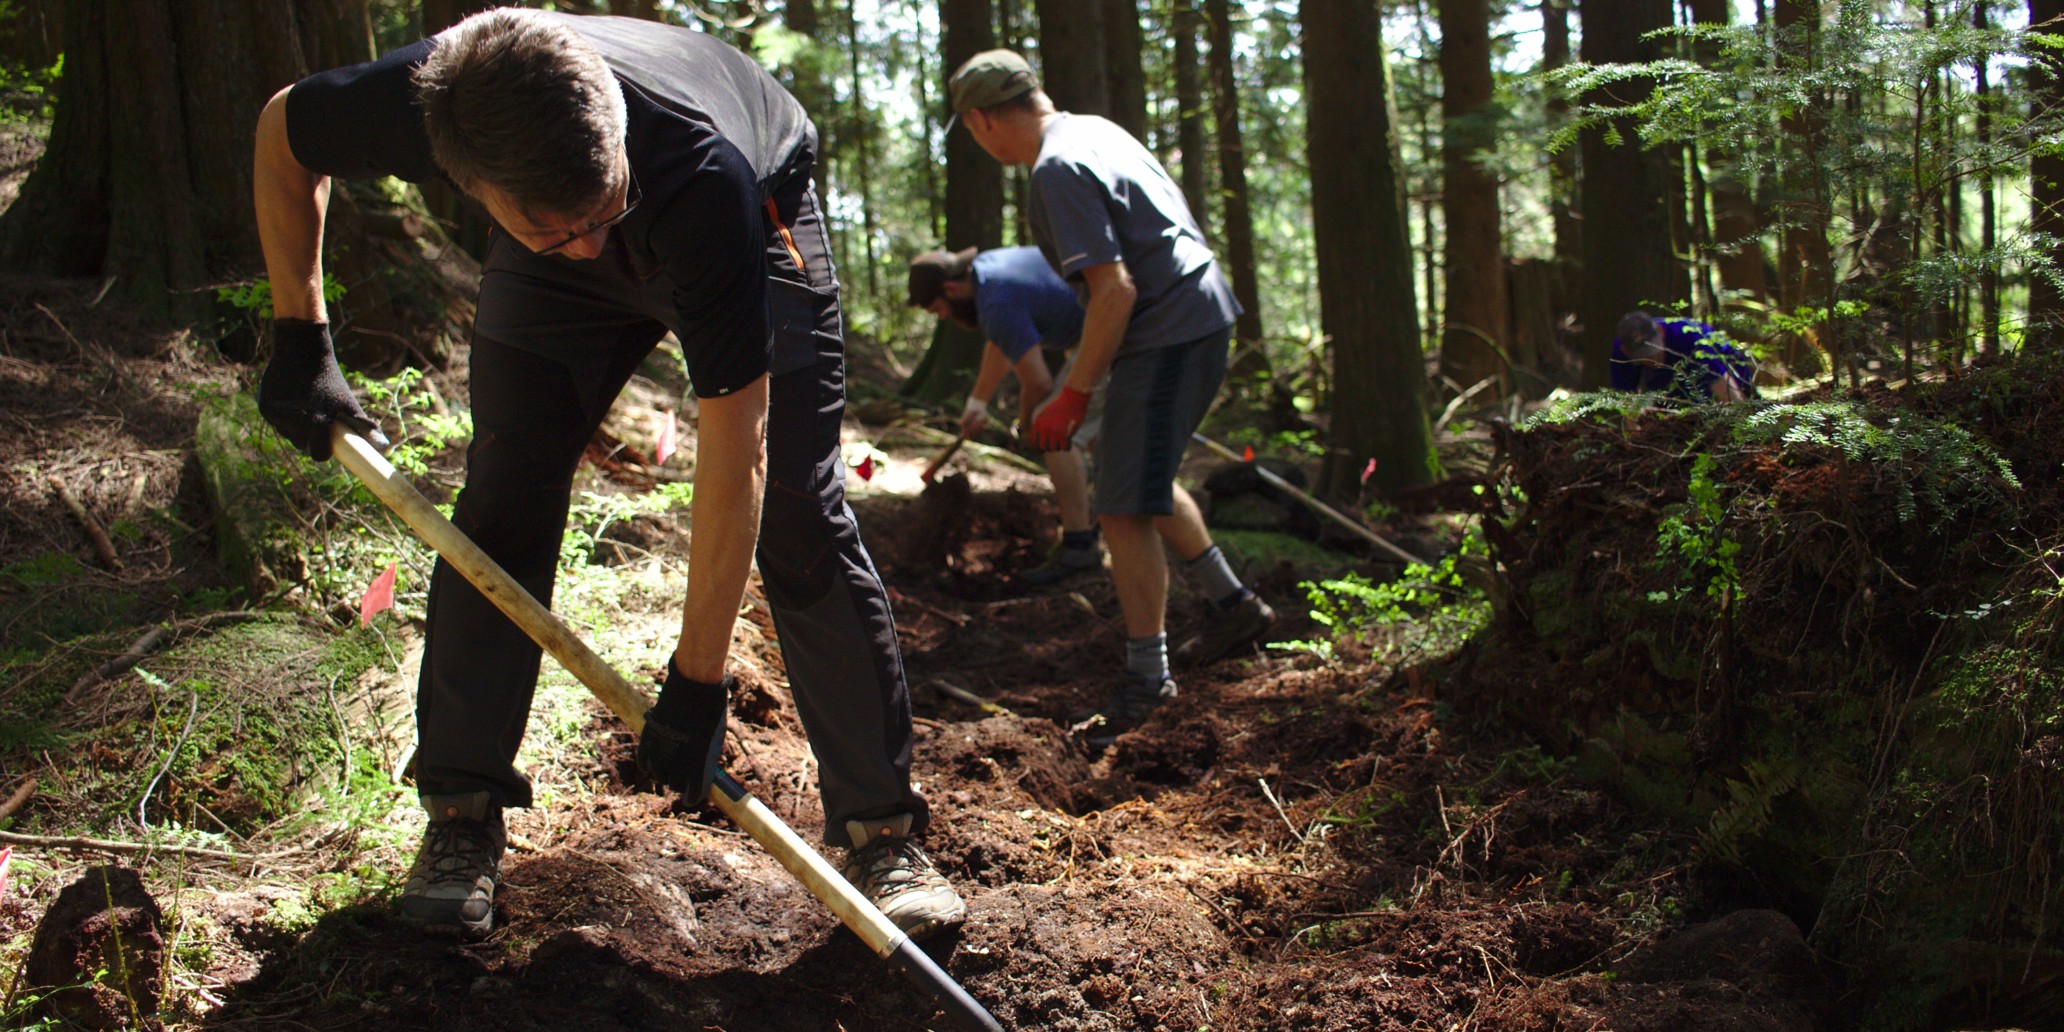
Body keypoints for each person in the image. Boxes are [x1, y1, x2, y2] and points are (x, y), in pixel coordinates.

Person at [251, 9, 964, 940]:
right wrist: (300, 337)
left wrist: (698, 680)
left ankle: (883, 835)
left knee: (798, 508)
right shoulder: (421, 106)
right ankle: (461, 817)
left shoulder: (700, 174)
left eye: (598, 219)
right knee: (503, 497)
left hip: (735, 202)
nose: (591, 245)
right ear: (469, 181)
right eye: (558, 227)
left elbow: (735, 440)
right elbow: (281, 130)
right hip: (564, 237)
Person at [945, 50, 1275, 747]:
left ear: (981, 120)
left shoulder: (1056, 169)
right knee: (1142, 480)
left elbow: (1115, 290)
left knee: (1122, 507)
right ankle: (1232, 604)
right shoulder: (1095, 130)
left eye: (972, 131)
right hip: (1194, 316)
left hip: (1167, 330)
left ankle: (1146, 681)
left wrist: (1073, 393)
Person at [907, 245, 1103, 586]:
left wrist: (1027, 425)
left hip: (1110, 333)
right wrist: (977, 402)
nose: (944, 318)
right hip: (1103, 329)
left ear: (951, 290)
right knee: (1088, 433)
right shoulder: (990, 270)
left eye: (940, 310)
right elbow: (1002, 341)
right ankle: (1104, 521)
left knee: (1052, 426)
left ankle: (1079, 546)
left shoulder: (994, 300)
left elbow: (1039, 383)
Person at [1611, 310, 1758, 403]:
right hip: (1673, 381)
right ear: (1626, 351)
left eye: (1654, 350)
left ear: (1660, 332)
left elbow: (1724, 387)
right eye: (1643, 355)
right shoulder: (1620, 352)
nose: (1652, 359)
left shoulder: (1688, 338)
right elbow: (1628, 404)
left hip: (1727, 368)